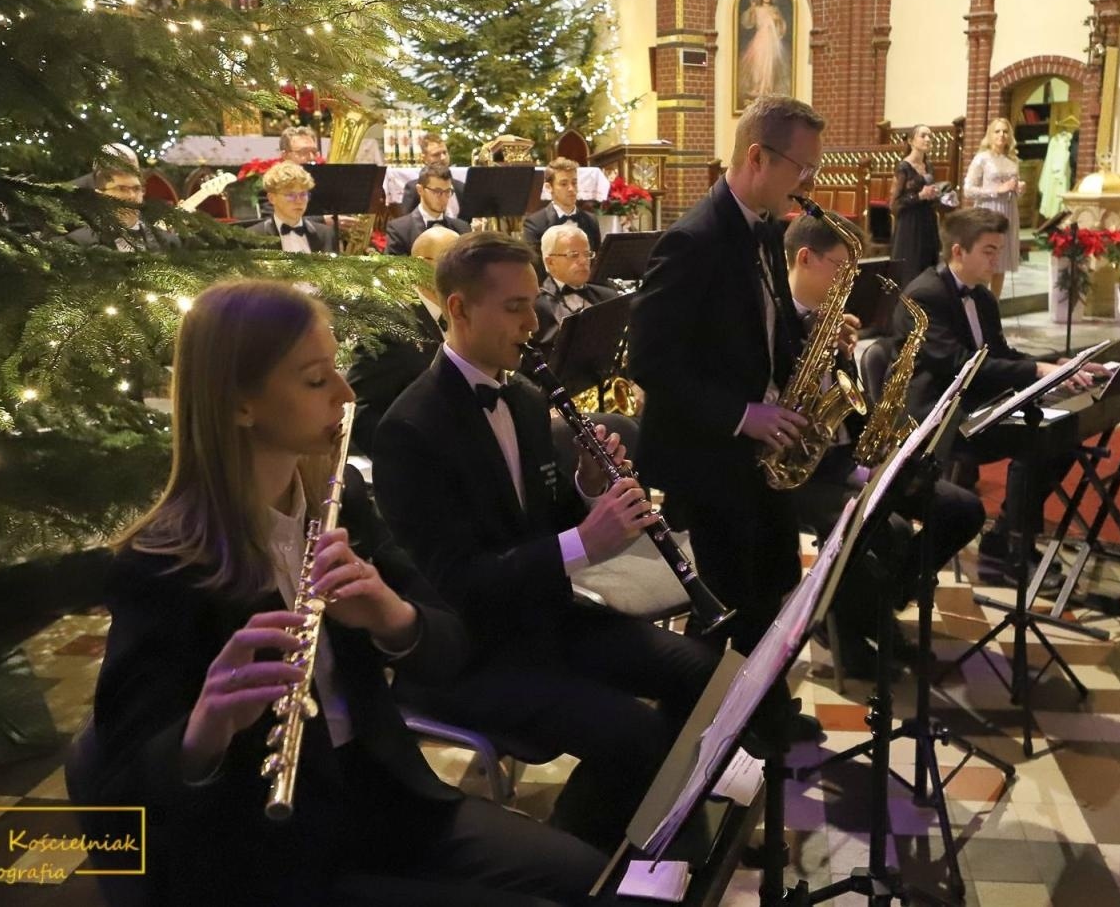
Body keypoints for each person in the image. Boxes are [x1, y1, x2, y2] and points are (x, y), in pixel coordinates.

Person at [85, 279, 607, 907]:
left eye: (336, 367)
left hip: (383, 795)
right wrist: (206, 729)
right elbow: (120, 794)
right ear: (239, 404)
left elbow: (448, 643)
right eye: (315, 380)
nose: (346, 394)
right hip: (263, 853)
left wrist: (395, 618)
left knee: (595, 880)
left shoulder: (338, 503)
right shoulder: (162, 565)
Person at [371, 233, 717, 851]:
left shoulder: (528, 400)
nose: (535, 324)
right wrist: (584, 541)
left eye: (535, 304)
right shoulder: (410, 430)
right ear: (459, 309)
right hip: (474, 650)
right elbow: (459, 583)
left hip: (546, 619)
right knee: (632, 734)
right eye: (515, 308)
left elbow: (544, 517)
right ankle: (585, 859)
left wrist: (586, 488)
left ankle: (632, 831)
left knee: (700, 673)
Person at [628, 95, 817, 658]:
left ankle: (765, 713)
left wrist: (806, 356)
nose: (807, 181)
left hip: (757, 452)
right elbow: (650, 362)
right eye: (801, 167)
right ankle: (718, 729)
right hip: (708, 453)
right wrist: (743, 415)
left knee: (778, 577)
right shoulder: (694, 239)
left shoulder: (762, 229)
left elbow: (766, 328)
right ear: (758, 157)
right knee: (735, 600)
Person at [783, 213, 984, 678]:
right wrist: (808, 349)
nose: (848, 281)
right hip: (797, 468)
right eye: (841, 268)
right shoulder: (773, 320)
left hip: (844, 455)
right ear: (805, 259)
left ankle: (871, 605)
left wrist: (842, 358)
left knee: (961, 509)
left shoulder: (832, 320)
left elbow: (851, 405)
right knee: (886, 528)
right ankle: (851, 639)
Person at [895, 208, 1103, 588]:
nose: (997, 260)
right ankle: (1010, 550)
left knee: (1061, 433)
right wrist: (1035, 372)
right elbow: (957, 365)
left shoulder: (983, 300)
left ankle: (1005, 533)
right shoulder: (924, 295)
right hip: (941, 415)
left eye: (999, 251)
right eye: (989, 251)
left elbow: (1000, 355)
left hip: (981, 405)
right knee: (1037, 440)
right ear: (959, 251)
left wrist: (1053, 365)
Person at [346, 226, 460, 454]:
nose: (463, 272)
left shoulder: (465, 312)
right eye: (451, 262)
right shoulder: (392, 323)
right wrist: (398, 458)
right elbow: (359, 406)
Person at [65, 151, 180, 252]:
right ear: (100, 196)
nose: (131, 196)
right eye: (121, 189)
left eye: (136, 188)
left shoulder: (169, 242)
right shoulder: (78, 244)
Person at [962, 117, 1025, 298]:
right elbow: (968, 190)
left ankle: (993, 306)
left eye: (1005, 131)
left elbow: (1011, 189)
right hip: (989, 211)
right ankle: (979, 304)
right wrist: (996, 190)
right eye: (997, 131)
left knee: (1001, 262)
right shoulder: (982, 158)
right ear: (990, 135)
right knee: (986, 261)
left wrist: (1018, 188)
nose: (1001, 135)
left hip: (1008, 211)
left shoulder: (1012, 160)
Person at [532, 223, 618, 348]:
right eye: (573, 255)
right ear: (550, 262)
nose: (584, 261)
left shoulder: (609, 296)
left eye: (587, 254)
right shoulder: (535, 304)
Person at [522, 158, 601, 280]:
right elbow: (536, 267)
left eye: (574, 183)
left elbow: (596, 261)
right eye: (564, 184)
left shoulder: (590, 220)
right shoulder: (535, 223)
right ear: (549, 187)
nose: (571, 189)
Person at [890, 124, 945, 282]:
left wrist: (938, 194)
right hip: (909, 223)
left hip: (927, 219)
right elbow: (895, 203)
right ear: (911, 141)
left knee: (928, 265)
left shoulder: (928, 166)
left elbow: (930, 194)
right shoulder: (903, 167)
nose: (928, 139)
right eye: (923, 135)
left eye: (930, 136)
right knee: (911, 266)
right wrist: (919, 196)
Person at [247, 161, 336, 253]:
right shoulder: (252, 238)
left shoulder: (325, 234)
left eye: (303, 194)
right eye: (290, 195)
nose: (298, 201)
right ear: (272, 198)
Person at [387, 164, 472, 256]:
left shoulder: (462, 228)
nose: (444, 198)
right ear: (420, 190)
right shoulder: (399, 229)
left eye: (447, 191)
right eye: (437, 191)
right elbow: (395, 268)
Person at [738, 0, 790, 107]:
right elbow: (748, 22)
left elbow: (781, 25)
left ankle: (767, 89)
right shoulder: (757, 9)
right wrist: (751, 8)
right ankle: (757, 88)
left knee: (769, 64)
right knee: (758, 64)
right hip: (760, 37)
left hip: (771, 40)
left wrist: (777, 20)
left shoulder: (774, 9)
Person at [399, 133, 466, 217]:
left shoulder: (461, 187)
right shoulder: (414, 189)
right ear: (424, 158)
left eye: (445, 153)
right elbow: (407, 224)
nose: (443, 158)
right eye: (436, 154)